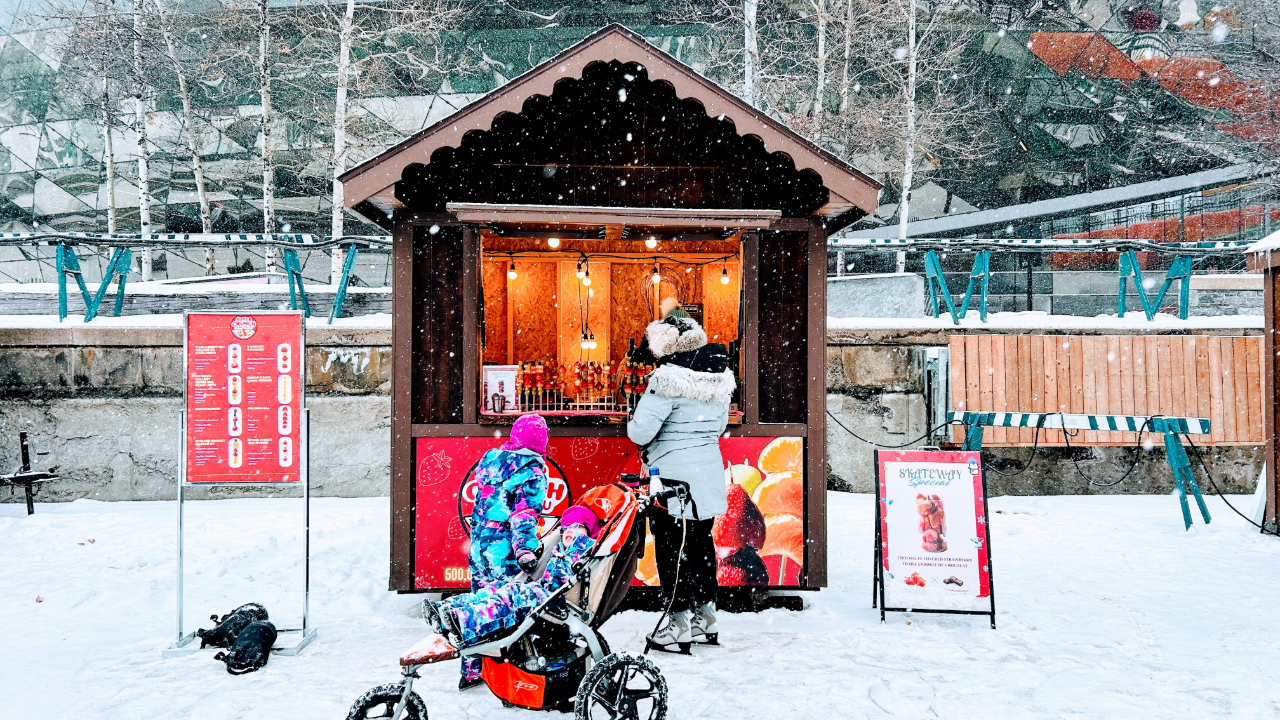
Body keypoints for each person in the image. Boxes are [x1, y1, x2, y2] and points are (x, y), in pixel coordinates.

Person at [627, 305, 735, 652]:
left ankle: (677, 622)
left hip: (673, 479)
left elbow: (641, 432)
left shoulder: (666, 379)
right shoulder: (719, 378)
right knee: (701, 545)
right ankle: (707, 615)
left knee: (671, 549)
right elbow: (718, 427)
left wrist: (633, 414)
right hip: (706, 473)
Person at [424, 491, 613, 649]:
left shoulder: (582, 550)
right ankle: (445, 612)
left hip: (557, 602)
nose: (570, 531)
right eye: (566, 529)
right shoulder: (560, 550)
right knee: (498, 589)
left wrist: (577, 544)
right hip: (545, 595)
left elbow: (563, 580)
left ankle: (464, 620)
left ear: (589, 532)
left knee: (513, 595)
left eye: (578, 527)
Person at [454, 413, 549, 688]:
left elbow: (482, 505)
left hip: (480, 545)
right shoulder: (532, 472)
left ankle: (471, 670)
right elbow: (523, 516)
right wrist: (525, 551)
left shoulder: (491, 461)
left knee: (479, 603)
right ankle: (511, 675)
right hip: (504, 550)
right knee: (508, 606)